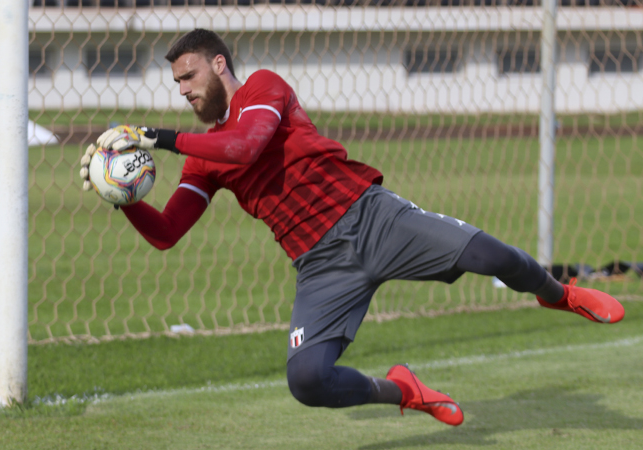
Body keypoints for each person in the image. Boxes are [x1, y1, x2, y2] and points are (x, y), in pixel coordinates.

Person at [79, 28, 625, 426]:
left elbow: (245, 146)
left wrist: (160, 136)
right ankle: (403, 392)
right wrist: (120, 197)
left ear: (219, 64)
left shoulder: (262, 88)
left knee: (495, 259)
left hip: (371, 218)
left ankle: (560, 294)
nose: (183, 91)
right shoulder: (201, 159)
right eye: (176, 83)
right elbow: (168, 231)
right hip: (321, 266)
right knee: (307, 380)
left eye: (189, 77)